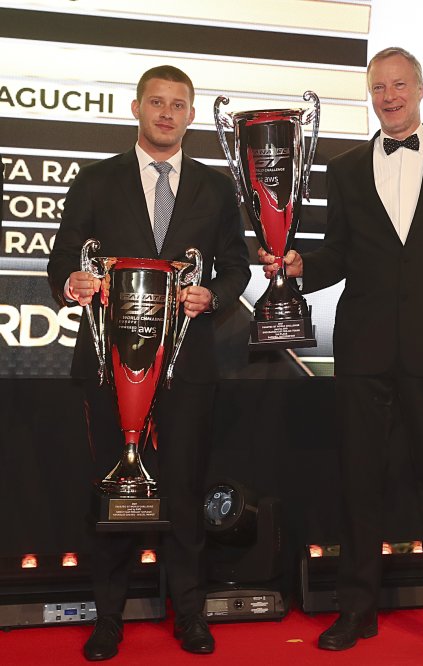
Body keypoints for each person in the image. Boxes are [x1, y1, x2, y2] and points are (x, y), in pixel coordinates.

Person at [259, 46, 423, 660]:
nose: (390, 97)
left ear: (420, 89)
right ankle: (356, 611)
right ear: (370, 95)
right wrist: (297, 267)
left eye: (400, 85)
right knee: (359, 487)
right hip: (363, 349)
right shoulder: (345, 168)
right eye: (379, 87)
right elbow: (338, 255)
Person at [47, 65, 251, 661]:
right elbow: (62, 259)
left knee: (184, 492)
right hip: (109, 366)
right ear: (136, 108)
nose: (166, 113)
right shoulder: (96, 180)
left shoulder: (215, 188)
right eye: (156, 102)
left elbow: (236, 266)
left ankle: (189, 614)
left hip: (187, 365)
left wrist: (214, 294)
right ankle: (108, 618)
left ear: (191, 115)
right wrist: (74, 283)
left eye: (178, 104)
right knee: (113, 488)